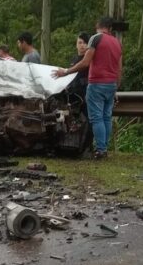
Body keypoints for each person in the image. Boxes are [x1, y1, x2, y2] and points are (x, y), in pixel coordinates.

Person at [52, 17, 122, 159]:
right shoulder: (117, 43)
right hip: (111, 84)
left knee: (96, 118)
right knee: (106, 117)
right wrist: (116, 87)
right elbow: (119, 68)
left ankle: (101, 150)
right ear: (111, 28)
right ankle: (104, 147)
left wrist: (65, 72)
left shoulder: (96, 38)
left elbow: (85, 62)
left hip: (97, 83)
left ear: (98, 25)